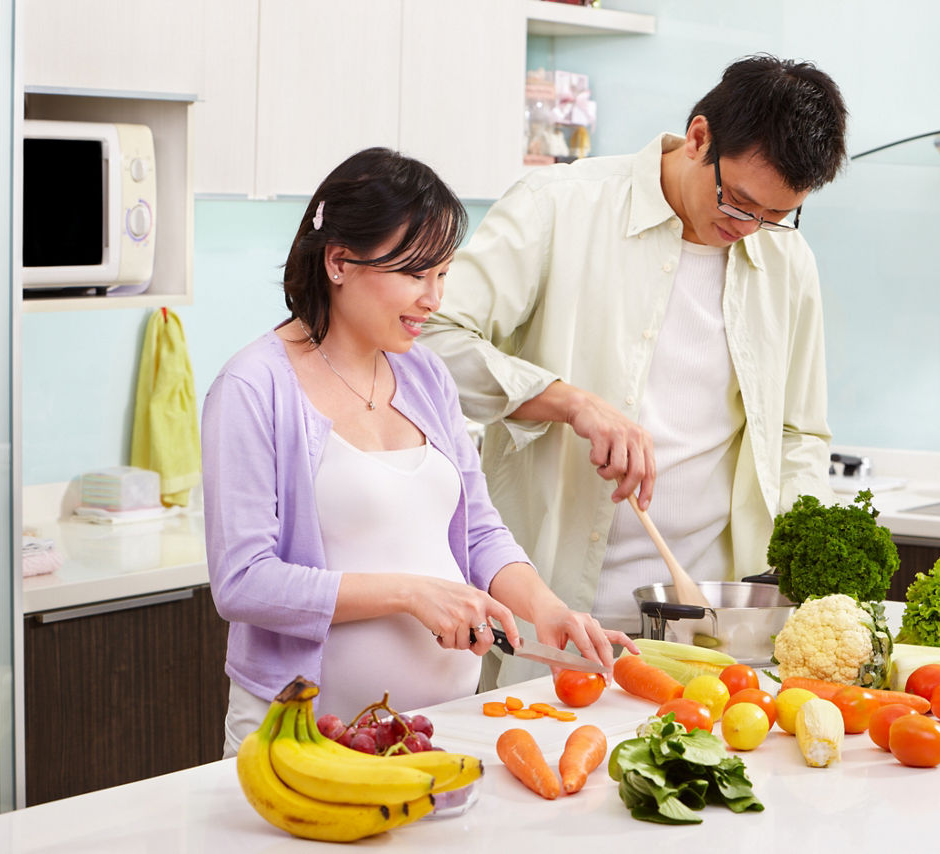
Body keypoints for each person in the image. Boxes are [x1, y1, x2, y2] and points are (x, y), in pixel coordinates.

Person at [420, 54, 849, 684]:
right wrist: (565, 399)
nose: (748, 229)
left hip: (707, 631)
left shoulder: (785, 258)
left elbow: (797, 435)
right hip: (559, 615)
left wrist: (804, 585)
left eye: (776, 217)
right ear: (699, 136)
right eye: (739, 204)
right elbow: (429, 339)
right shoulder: (557, 207)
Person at [202, 148, 629, 756]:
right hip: (306, 741)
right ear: (340, 262)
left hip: (444, 728)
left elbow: (477, 531)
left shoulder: (425, 373)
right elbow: (243, 584)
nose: (434, 299)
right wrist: (411, 593)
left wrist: (549, 611)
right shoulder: (253, 386)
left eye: (443, 275)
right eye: (415, 274)